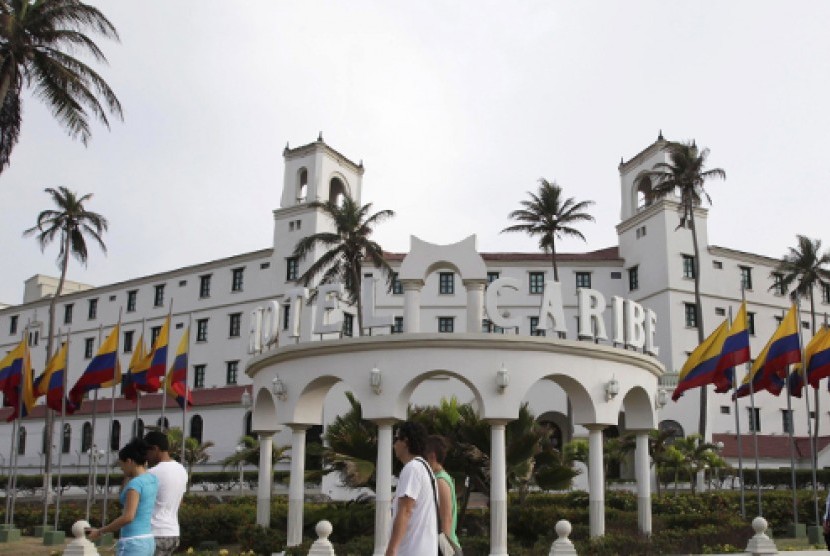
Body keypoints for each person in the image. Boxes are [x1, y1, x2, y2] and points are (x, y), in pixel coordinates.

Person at [88, 438, 159, 556]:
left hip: (132, 542)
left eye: (121, 464)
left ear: (129, 461)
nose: (121, 468)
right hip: (147, 540)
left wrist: (100, 531)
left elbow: (128, 517)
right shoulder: (152, 479)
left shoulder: (135, 484)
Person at [385, 421, 438, 556]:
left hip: (412, 550)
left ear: (406, 441)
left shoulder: (412, 469)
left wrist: (392, 549)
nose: (394, 444)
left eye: (396, 439)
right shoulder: (425, 468)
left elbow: (406, 510)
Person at [144, 431, 188, 556]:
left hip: (155, 532)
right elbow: (179, 501)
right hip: (173, 532)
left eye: (146, 452)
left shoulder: (152, 473)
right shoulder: (181, 470)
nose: (146, 456)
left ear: (155, 449)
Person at [425, 435, 462, 554]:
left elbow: (446, 518)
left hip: (446, 549)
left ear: (432, 456)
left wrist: (442, 550)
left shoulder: (440, 481)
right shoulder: (437, 478)